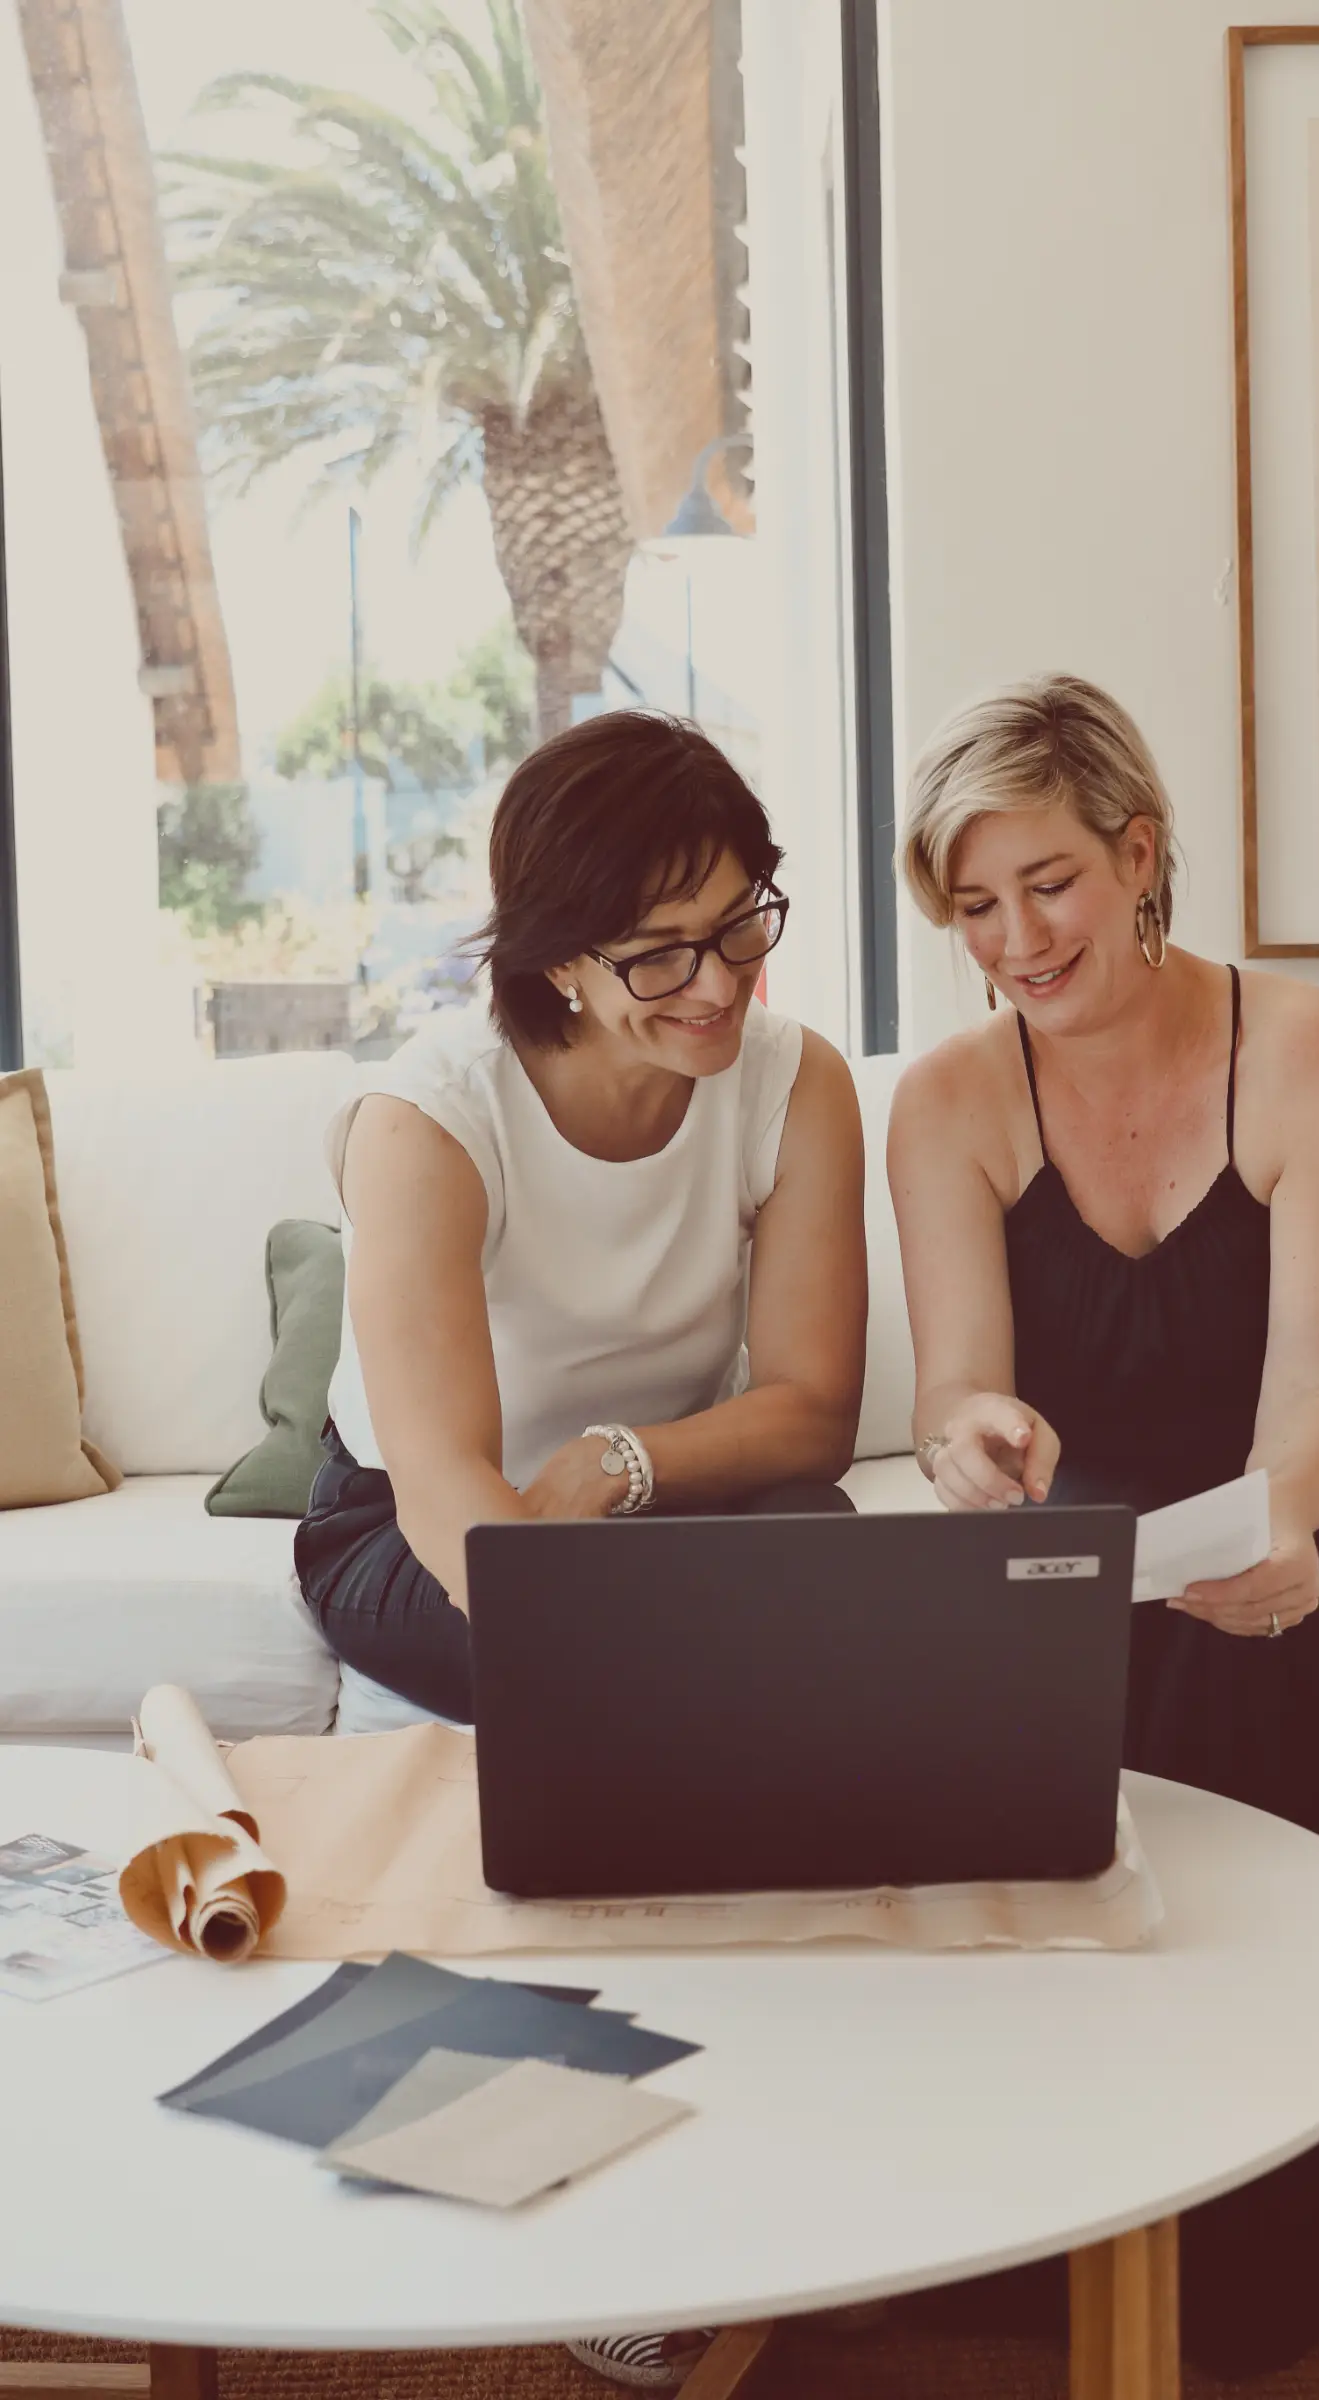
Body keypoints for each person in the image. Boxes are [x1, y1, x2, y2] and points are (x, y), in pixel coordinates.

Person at [887, 672, 1319, 2371]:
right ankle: (1027, 2179)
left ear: (1140, 850)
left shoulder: (1307, 1054)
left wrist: (1277, 1525)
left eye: (1050, 884)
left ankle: (1237, 2222)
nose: (1015, 936)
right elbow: (955, 1392)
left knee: (1229, 1665)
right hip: (1116, 1505)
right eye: (973, 904)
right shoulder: (946, 1104)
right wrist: (972, 1440)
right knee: (980, 1676)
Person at [294, 709, 866, 2393]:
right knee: (657, 1719)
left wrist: (620, 1467)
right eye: (662, 950)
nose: (719, 981)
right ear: (553, 962)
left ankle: (834, 2131)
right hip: (420, 1525)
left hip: (653, 1499)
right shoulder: (431, 1116)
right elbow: (453, 1489)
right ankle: (597, 2204)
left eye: (746, 918)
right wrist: (607, 1651)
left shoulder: (793, 1078)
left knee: (832, 1612)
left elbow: (813, 1413)